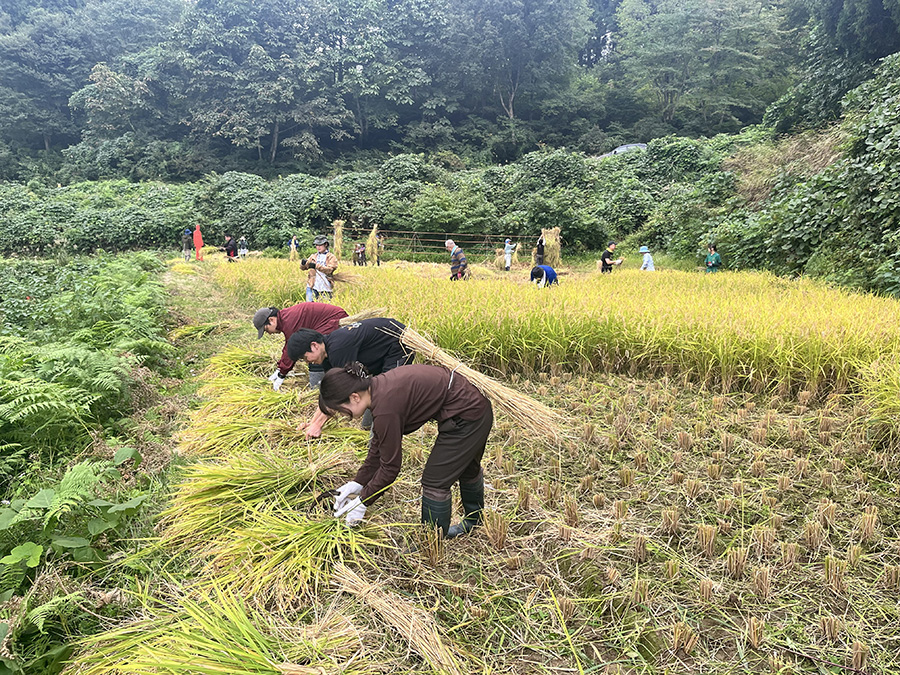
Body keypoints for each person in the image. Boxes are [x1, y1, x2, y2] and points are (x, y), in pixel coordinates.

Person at [325, 362, 492, 538]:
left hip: (467, 415)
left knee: (435, 481)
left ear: (354, 397)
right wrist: (358, 483)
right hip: (473, 407)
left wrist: (362, 502)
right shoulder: (379, 388)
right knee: (467, 468)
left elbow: (390, 468)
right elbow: (379, 447)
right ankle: (473, 523)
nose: (345, 416)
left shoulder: (385, 409)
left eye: (342, 410)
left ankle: (432, 541)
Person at [287, 317, 414, 438]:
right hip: (381, 352)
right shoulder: (326, 355)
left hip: (399, 344)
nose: (307, 362)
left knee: (385, 391)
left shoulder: (338, 349)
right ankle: (368, 428)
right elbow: (330, 392)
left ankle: (379, 441)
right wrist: (312, 422)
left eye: (305, 358)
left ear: (314, 346)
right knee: (374, 389)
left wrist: (318, 425)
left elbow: (340, 391)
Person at [253, 302, 349, 390]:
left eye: (266, 329)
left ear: (272, 320)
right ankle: (330, 383)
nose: (269, 333)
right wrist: (280, 369)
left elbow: (291, 349)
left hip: (334, 319)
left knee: (314, 353)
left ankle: (318, 389)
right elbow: (288, 346)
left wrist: (282, 373)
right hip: (329, 319)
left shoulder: (288, 321)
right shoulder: (285, 318)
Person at [300, 234, 338, 302]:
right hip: (312, 286)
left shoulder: (331, 257)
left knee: (323, 310)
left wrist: (315, 266)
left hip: (325, 287)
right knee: (309, 307)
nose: (318, 247)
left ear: (325, 244)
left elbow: (329, 270)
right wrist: (303, 264)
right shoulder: (314, 256)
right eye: (317, 245)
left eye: (320, 245)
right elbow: (304, 268)